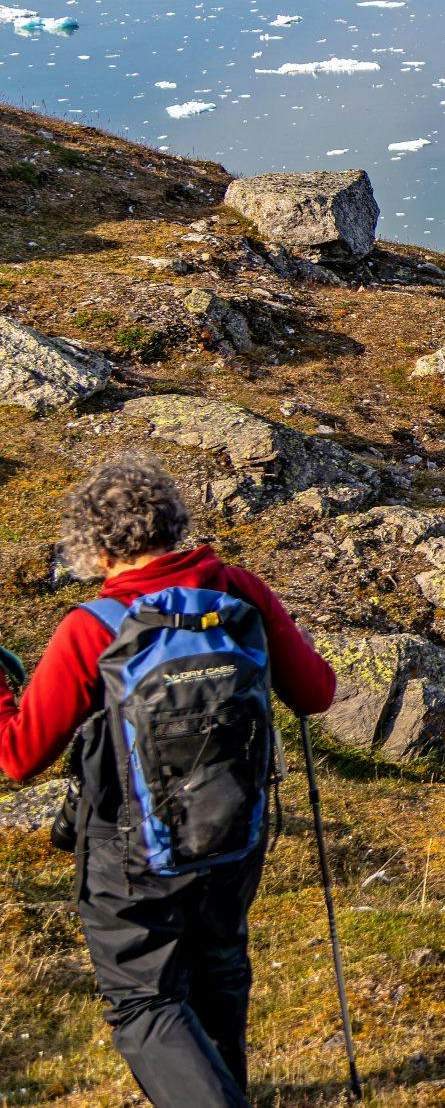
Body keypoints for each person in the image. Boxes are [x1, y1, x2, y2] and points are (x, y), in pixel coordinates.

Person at [0, 459, 338, 1108]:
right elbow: (317, 694)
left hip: (130, 856)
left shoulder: (93, 626)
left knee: (145, 1002)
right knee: (219, 974)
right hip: (233, 833)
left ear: (96, 546)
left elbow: (18, 754)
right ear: (175, 522)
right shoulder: (241, 591)